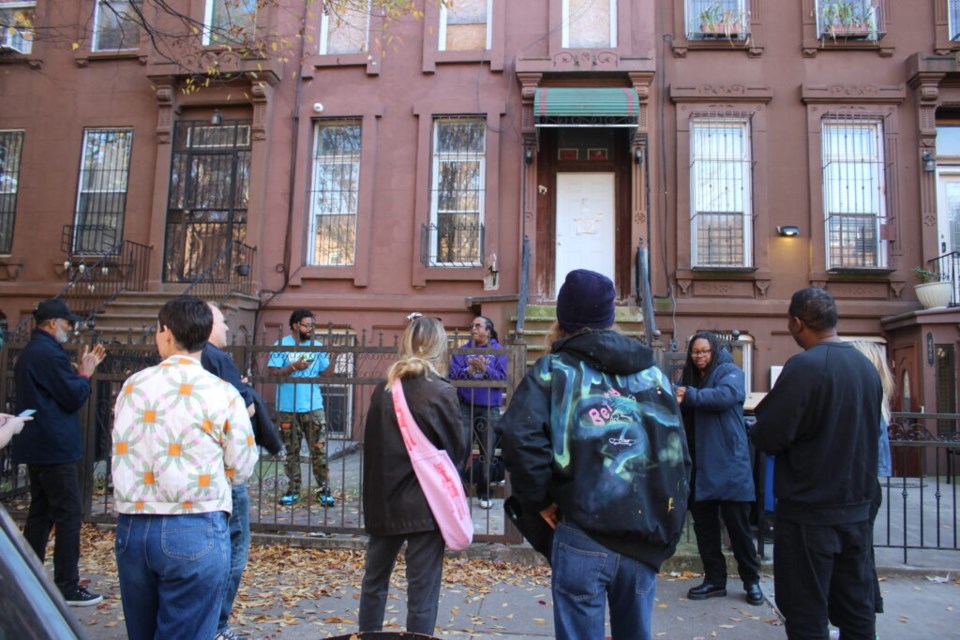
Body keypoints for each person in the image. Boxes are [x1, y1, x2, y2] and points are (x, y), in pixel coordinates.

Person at [500, 269, 691, 640]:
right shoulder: (654, 376)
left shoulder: (553, 370)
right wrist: (668, 522)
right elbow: (679, 457)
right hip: (643, 535)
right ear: (609, 317)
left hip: (583, 533)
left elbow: (518, 437)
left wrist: (539, 500)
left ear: (563, 318)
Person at [112, 295, 258, 640]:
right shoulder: (222, 393)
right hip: (196, 523)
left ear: (164, 332)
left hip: (134, 526)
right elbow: (242, 466)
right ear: (207, 335)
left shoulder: (133, 386)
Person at [752, 288, 880, 640]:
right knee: (857, 610)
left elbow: (770, 436)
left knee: (806, 612)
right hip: (856, 509)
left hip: (810, 514)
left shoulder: (805, 366)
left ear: (797, 322)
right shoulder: (865, 367)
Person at [358, 314, 466, 636]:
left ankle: (367, 636)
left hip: (384, 501)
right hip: (425, 504)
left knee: (374, 583)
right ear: (438, 347)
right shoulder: (440, 392)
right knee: (422, 593)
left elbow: (372, 447)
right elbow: (455, 451)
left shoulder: (383, 391)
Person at [12, 298, 106, 606]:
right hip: (54, 447)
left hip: (39, 444)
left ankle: (27, 577)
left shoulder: (33, 352)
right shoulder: (48, 353)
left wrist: (75, 375)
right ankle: (67, 584)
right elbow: (72, 395)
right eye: (67, 324)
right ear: (52, 323)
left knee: (41, 513)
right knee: (68, 514)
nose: (71, 329)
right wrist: (85, 374)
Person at [202, 303, 283, 640]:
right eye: (223, 322)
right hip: (226, 473)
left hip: (200, 477)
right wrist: (243, 395)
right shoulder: (216, 358)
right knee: (233, 550)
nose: (226, 328)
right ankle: (217, 625)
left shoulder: (185, 364)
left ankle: (204, 624)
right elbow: (243, 410)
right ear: (206, 326)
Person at [675, 332, 763, 606]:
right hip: (699, 465)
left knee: (738, 529)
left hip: (727, 464)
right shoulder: (689, 376)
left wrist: (689, 395)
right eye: (695, 352)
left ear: (714, 351)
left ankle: (752, 581)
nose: (699, 356)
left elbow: (726, 396)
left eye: (704, 351)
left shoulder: (731, 372)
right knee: (705, 528)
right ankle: (715, 581)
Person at [848, 339, 895, 621]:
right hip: (864, 487)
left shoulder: (867, 403)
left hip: (860, 488)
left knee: (858, 558)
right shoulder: (874, 400)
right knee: (860, 555)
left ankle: (864, 621)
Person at [267, 309, 333, 506]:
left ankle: (324, 490)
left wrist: (334, 358)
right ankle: (293, 490)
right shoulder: (281, 345)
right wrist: (293, 367)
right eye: (306, 325)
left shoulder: (317, 346)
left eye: (312, 325)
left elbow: (327, 374)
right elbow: (272, 373)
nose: (310, 329)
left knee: (319, 451)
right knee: (291, 451)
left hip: (313, 407)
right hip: (288, 407)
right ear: (295, 325)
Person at [449, 315, 508, 508]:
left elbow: (503, 378)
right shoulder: (463, 351)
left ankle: (484, 493)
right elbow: (453, 375)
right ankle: (458, 492)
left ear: (488, 330)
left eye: (478, 325)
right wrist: (468, 368)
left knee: (487, 452)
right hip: (465, 405)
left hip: (489, 407)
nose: (473, 328)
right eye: (471, 325)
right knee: (461, 449)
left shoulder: (498, 351)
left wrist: (484, 368)